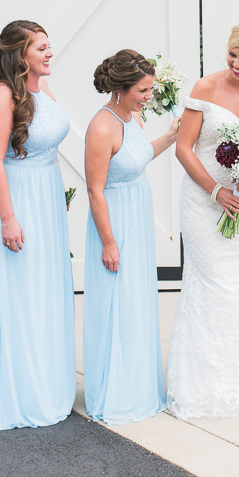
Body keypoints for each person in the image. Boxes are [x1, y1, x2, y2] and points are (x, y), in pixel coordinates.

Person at [166, 18, 239, 419]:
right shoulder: (204, 88)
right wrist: (217, 192)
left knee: (237, 284)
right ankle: (200, 385)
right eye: (233, 54)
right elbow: (184, 148)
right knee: (211, 281)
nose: (236, 63)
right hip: (203, 201)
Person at [0, 20, 74, 428]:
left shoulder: (42, 89)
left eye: (50, 46)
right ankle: (21, 390)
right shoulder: (2, 96)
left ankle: (48, 381)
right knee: (21, 290)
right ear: (20, 53)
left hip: (45, 196)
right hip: (17, 198)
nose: (49, 53)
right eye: (41, 48)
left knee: (44, 289)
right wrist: (8, 218)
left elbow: (47, 145)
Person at [83, 50, 179, 425]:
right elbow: (95, 190)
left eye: (150, 89)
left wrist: (169, 137)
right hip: (115, 219)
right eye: (142, 90)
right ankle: (118, 390)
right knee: (117, 302)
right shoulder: (101, 127)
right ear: (120, 89)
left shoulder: (132, 117)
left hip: (137, 214)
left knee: (137, 300)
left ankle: (140, 384)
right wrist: (109, 242)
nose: (148, 96)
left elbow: (135, 158)